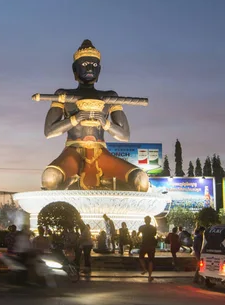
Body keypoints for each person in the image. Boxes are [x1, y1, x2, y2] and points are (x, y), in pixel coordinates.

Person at [40, 39, 149, 192]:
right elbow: (49, 132)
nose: (90, 67)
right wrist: (76, 118)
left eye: (94, 65)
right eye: (84, 64)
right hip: (73, 152)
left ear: (100, 70)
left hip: (101, 154)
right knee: (50, 178)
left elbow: (124, 135)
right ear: (75, 69)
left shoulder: (110, 97)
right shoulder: (64, 95)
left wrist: (105, 123)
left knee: (141, 180)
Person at [138, 216, 157, 282]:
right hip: (151, 245)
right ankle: (149, 277)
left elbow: (138, 235)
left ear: (144, 220)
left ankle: (144, 269)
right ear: (150, 220)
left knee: (141, 257)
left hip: (144, 244)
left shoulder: (141, 227)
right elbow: (154, 235)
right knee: (151, 261)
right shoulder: (153, 228)